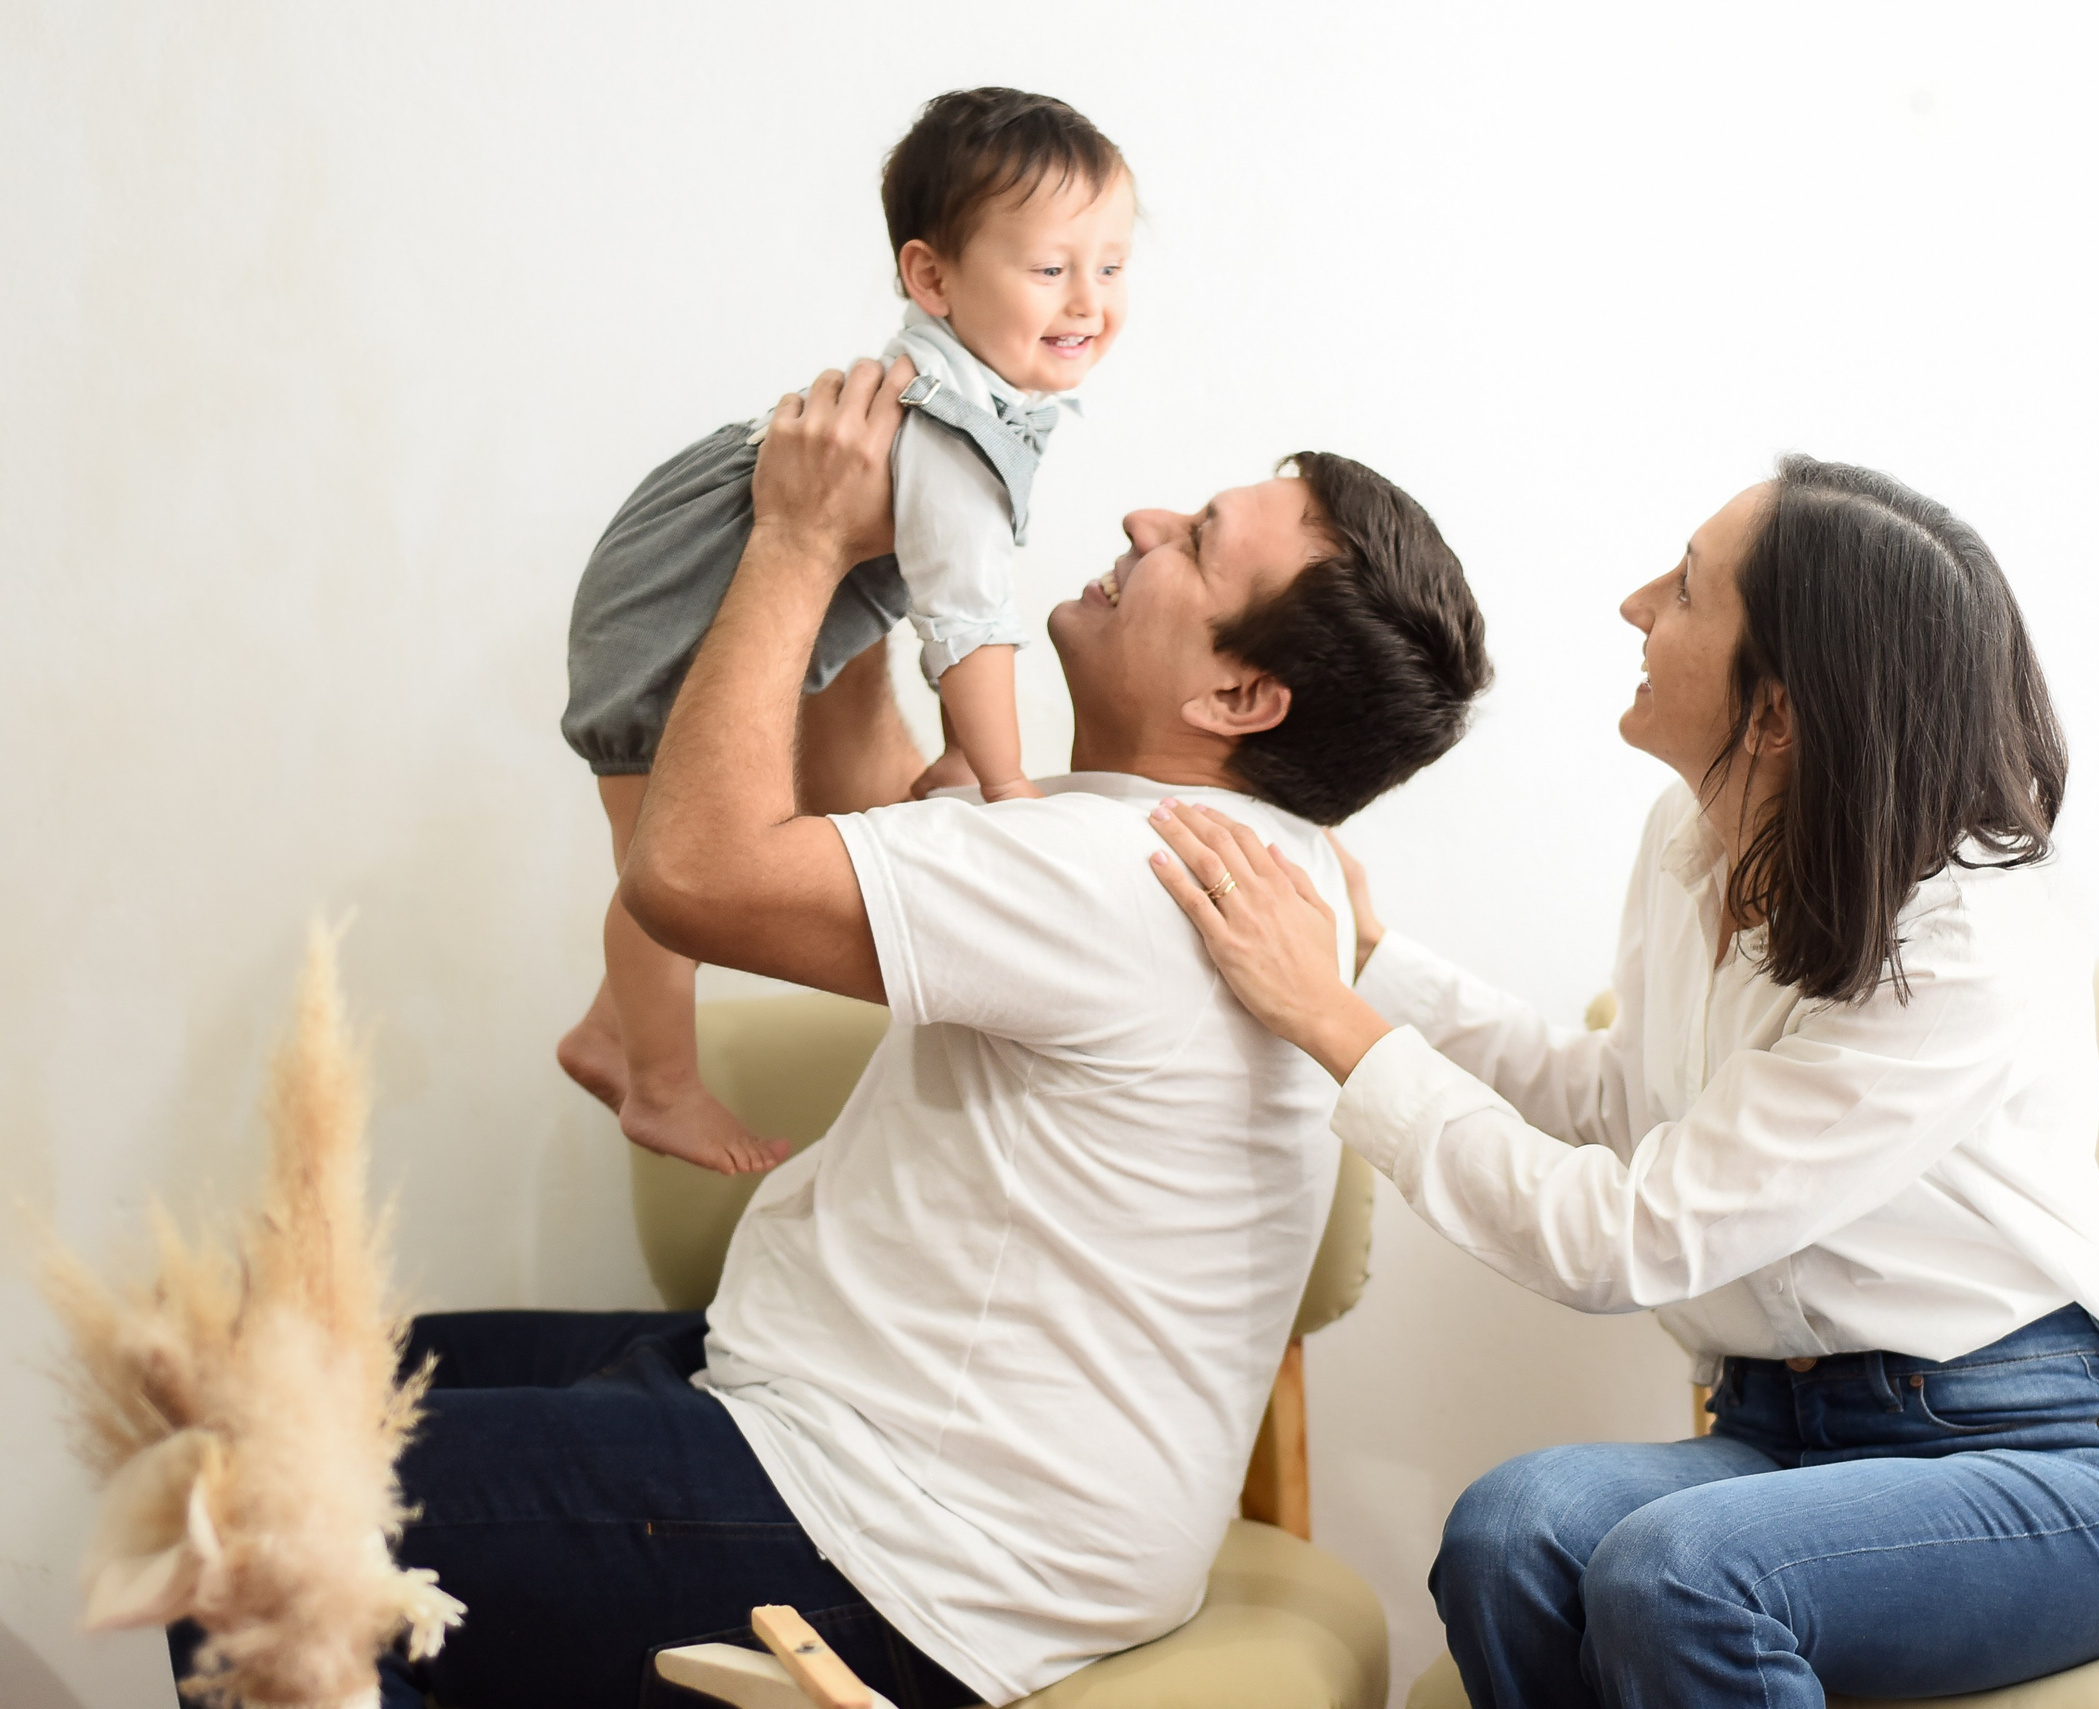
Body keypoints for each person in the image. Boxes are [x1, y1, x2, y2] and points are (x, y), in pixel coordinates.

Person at [221, 359, 1490, 1709]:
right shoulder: (1226, 858)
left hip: (894, 1536)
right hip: (868, 1439)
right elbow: (871, 802)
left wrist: (798, 534)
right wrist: (879, 572)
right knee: (286, 1377)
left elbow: (691, 875)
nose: (1138, 522)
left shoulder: (1116, 876)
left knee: (244, 1504)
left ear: (1240, 699)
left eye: (1194, 544)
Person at [1145, 456, 2099, 1708]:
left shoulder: (1967, 942)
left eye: (1686, 592)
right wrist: (1372, 964)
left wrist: (1334, 1024)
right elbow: (1620, 1107)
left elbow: (1624, 1237)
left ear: (1775, 712)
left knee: (1683, 1573)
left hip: (2046, 1455)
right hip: (1781, 1432)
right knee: (1508, 1533)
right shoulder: (1693, 842)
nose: (1634, 604)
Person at [555, 88, 1135, 1176]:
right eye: (1052, 268)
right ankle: (659, 1084)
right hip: (664, 611)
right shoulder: (955, 428)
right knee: (657, 868)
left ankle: (606, 1028)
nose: (1088, 300)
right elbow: (968, 617)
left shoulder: (971, 388)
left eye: (1110, 266)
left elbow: (933, 586)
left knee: (660, 855)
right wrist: (1006, 787)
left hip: (673, 567)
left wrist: (967, 748)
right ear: (932, 278)